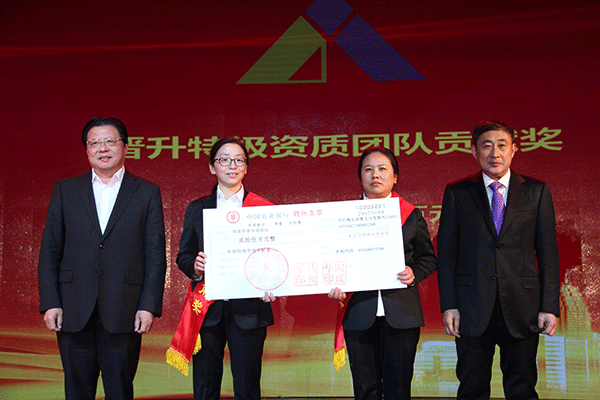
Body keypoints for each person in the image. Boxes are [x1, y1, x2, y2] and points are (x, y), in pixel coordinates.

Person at [38, 116, 167, 400]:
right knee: (76, 391)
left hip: (125, 309)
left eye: (110, 141)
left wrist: (148, 306)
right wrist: (50, 302)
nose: (102, 148)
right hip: (73, 308)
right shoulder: (66, 190)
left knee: (120, 390)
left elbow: (155, 254)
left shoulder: (146, 192)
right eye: (94, 143)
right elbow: (50, 250)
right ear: (86, 150)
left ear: (125, 147)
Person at [437, 119, 560, 399]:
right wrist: (449, 305)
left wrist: (549, 306)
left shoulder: (536, 191)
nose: (495, 153)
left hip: (522, 306)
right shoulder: (458, 193)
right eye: (487, 146)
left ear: (514, 149)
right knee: (471, 388)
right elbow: (447, 254)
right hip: (471, 307)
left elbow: (548, 254)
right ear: (474, 151)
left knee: (522, 387)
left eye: (502, 145)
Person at [328, 146, 437, 400]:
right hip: (359, 313)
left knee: (398, 388)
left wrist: (414, 272)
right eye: (368, 169)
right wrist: (333, 282)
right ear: (360, 176)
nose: (375, 174)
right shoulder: (344, 216)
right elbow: (332, 260)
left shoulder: (411, 215)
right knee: (365, 389)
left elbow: (428, 259)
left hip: (401, 314)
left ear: (395, 177)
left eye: (382, 169)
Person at [170, 137, 275, 400]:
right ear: (212, 167)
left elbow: (276, 257)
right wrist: (195, 266)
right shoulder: (198, 208)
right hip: (208, 310)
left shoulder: (263, 208)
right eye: (224, 160)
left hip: (249, 309)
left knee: (247, 386)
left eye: (239, 160)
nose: (232, 166)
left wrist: (273, 282)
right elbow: (184, 256)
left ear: (246, 167)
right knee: (205, 386)